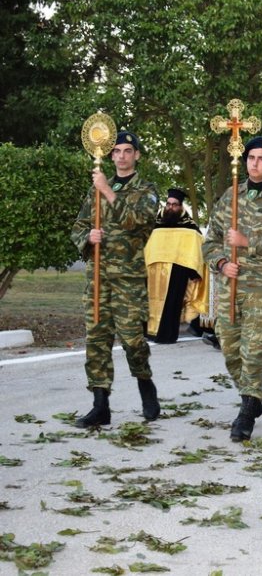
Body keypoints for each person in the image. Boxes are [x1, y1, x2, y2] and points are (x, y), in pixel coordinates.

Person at [203, 136, 262, 441]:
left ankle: (246, 412)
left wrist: (247, 242)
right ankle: (252, 397)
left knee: (253, 349)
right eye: (251, 158)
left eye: (261, 159)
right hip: (230, 286)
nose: (255, 163)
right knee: (230, 349)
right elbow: (210, 241)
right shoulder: (230, 196)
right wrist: (219, 263)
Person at [70, 130, 160, 428]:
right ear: (111, 156)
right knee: (97, 339)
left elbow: (138, 222)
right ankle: (100, 405)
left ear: (137, 155)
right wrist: (88, 237)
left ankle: (145, 384)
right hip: (98, 277)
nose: (121, 156)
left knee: (133, 339)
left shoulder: (146, 189)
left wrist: (108, 190)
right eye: (117, 151)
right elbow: (78, 227)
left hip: (128, 278)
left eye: (127, 151)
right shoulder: (94, 190)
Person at [145, 188, 207, 344]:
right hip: (153, 269)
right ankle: (149, 333)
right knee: (150, 300)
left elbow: (196, 244)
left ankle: (167, 335)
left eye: (174, 205)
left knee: (171, 303)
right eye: (169, 204)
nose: (170, 208)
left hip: (177, 270)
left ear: (180, 207)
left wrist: (192, 271)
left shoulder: (189, 226)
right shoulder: (155, 223)